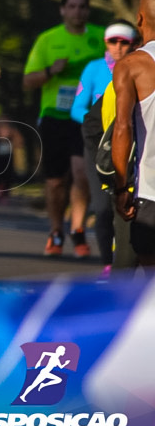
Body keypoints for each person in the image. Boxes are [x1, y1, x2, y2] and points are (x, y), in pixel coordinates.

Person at [23, 0, 106, 257]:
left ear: (88, 10)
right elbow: (27, 82)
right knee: (56, 180)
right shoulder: (48, 40)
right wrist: (51, 70)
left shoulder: (101, 38)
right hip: (55, 116)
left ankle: (78, 228)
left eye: (82, 7)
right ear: (62, 10)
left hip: (87, 117)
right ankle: (56, 230)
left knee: (82, 173)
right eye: (71, 6)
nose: (77, 12)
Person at [72, 19, 138, 274]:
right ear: (105, 43)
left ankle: (123, 264)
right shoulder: (95, 69)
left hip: (131, 149)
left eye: (125, 42)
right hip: (100, 146)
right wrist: (106, 132)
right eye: (113, 41)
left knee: (128, 210)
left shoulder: (139, 68)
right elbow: (79, 109)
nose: (119, 47)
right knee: (102, 208)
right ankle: (109, 265)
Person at [112, 0, 155, 272]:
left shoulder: (132, 65)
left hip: (151, 192)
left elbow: (122, 127)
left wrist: (121, 186)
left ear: (139, 19)